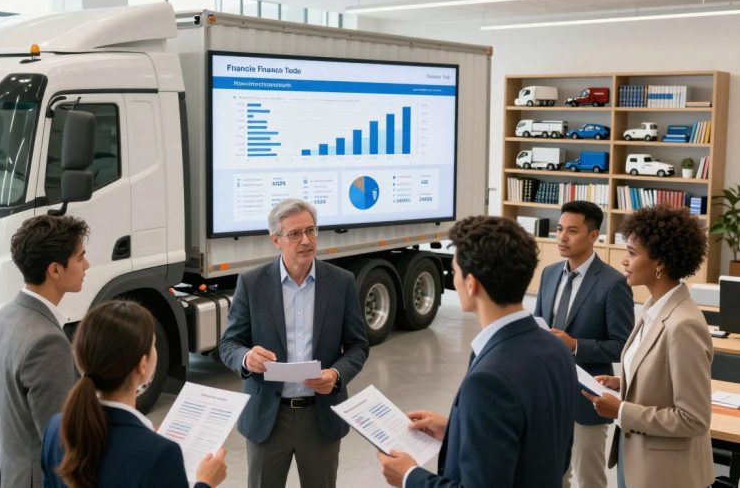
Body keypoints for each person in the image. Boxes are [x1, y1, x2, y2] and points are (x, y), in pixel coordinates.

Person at [378, 216, 576, 488]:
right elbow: (549, 449)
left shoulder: (489, 380)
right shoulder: (557, 348)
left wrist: (410, 476)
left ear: (471, 284)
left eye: (454, 271)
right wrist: (456, 428)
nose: (454, 280)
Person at [219, 198, 369, 488]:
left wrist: (336, 375)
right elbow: (229, 344)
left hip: (320, 416)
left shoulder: (341, 282)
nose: (306, 240)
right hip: (268, 419)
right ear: (275, 240)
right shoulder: (251, 283)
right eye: (295, 234)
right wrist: (247, 358)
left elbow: (358, 346)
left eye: (311, 231)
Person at [584, 205, 714, 488]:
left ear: (660, 262)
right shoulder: (652, 308)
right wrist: (624, 383)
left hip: (666, 473)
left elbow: (693, 419)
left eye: (632, 253)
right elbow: (660, 375)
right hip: (636, 459)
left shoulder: (684, 325)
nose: (623, 261)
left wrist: (621, 410)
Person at [41, 300, 227, 488]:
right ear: (143, 364)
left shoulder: (56, 427)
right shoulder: (160, 453)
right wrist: (205, 482)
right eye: (153, 345)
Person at [534, 201, 634, 488]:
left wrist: (576, 345)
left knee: (589, 478)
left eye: (572, 231)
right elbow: (539, 321)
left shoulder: (614, 283)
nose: (562, 238)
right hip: (549, 393)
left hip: (588, 398)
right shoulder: (549, 273)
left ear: (593, 236)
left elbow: (622, 345)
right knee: (553, 476)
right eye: (560, 229)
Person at [0, 214, 90, 488]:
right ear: (55, 270)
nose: (86, 265)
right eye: (80, 258)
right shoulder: (48, 342)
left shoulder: (3, 317)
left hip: (7, 476)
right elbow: (61, 445)